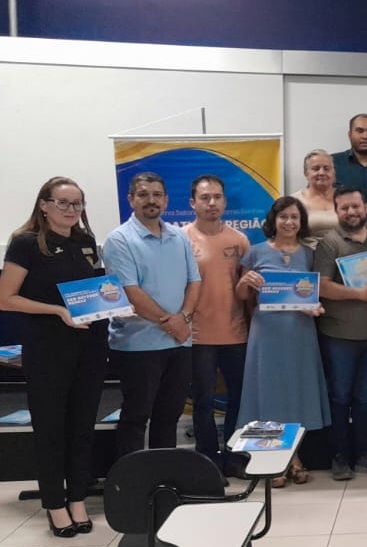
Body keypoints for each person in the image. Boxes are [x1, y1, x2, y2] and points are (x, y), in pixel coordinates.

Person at [0, 177, 108, 536]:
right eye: (63, 203)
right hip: (47, 350)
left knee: (82, 427)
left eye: (78, 203)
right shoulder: (26, 243)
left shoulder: (85, 241)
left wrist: (113, 304)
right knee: (51, 430)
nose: (72, 210)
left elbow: (92, 292)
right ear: (44, 205)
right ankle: (55, 504)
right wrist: (57, 311)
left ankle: (77, 499)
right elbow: (6, 299)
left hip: (89, 347)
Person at [102, 173, 201, 457]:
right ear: (131, 199)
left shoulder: (179, 237)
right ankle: (130, 480)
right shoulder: (119, 240)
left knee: (168, 417)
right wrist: (173, 324)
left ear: (166, 200)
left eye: (157, 195)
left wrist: (184, 317)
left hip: (179, 343)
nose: (151, 200)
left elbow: (194, 281)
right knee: (136, 417)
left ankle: (162, 477)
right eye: (143, 194)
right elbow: (130, 292)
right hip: (138, 346)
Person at [235, 196, 329, 487]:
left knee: (296, 395)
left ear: (301, 223)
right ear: (273, 220)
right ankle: (274, 461)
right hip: (267, 334)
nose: (289, 222)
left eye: (294, 217)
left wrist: (316, 306)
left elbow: (315, 292)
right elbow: (241, 296)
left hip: (300, 333)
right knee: (269, 396)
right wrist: (244, 283)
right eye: (283, 217)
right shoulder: (255, 252)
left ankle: (294, 457)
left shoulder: (310, 254)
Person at [315, 186, 367, 480]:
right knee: (340, 397)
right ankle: (340, 457)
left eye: (355, 206)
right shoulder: (329, 243)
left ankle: (366, 454)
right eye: (344, 208)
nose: (351, 212)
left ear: (366, 208)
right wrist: (357, 294)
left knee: (365, 398)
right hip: (340, 336)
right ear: (337, 211)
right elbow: (321, 286)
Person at [182, 175, 250, 471]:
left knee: (240, 398)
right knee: (203, 401)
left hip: (236, 333)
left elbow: (248, 290)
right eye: (205, 197)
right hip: (198, 336)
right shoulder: (181, 239)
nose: (212, 203)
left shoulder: (239, 240)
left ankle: (235, 456)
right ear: (192, 203)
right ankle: (208, 460)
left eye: (217, 197)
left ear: (224, 201)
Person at [293, 149, 340, 248]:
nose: (322, 173)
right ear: (306, 173)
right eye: (316, 169)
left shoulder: (346, 198)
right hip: (307, 254)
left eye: (326, 168)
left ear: (333, 172)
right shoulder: (294, 201)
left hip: (345, 255)